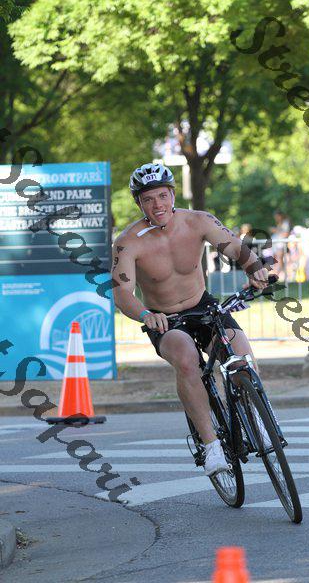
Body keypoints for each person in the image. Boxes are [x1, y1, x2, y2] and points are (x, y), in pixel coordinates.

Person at [112, 163, 275, 476]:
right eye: (148, 199)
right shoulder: (128, 242)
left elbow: (235, 247)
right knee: (187, 361)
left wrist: (254, 267)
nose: (157, 204)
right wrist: (146, 315)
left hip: (203, 306)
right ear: (139, 204)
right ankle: (211, 445)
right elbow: (122, 293)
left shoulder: (198, 221)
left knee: (240, 355)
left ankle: (257, 417)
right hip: (165, 319)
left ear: (173, 195)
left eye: (162, 196)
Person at [270, 210, 290, 277]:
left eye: (277, 216)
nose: (276, 218)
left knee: (279, 259)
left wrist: (275, 230)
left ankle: (277, 274)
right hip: (276, 244)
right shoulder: (280, 223)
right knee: (276, 259)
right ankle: (278, 273)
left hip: (280, 244)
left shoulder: (285, 223)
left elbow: (285, 234)